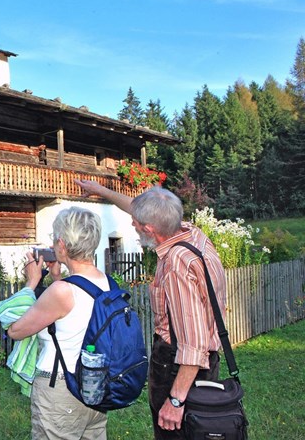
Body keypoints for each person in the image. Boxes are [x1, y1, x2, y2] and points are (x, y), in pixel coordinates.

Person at [74, 179, 226, 440]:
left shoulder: (177, 266)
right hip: (204, 364)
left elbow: (193, 343)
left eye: (135, 223)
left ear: (149, 229)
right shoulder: (193, 234)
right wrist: (101, 191)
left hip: (179, 367)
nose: (132, 224)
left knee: (177, 433)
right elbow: (139, 208)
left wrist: (176, 401)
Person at [8, 206, 109, 440]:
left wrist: (31, 282)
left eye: (55, 240)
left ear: (62, 245)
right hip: (94, 386)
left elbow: (16, 330)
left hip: (61, 390)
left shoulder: (62, 291)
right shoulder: (106, 282)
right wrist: (56, 277)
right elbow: (74, 313)